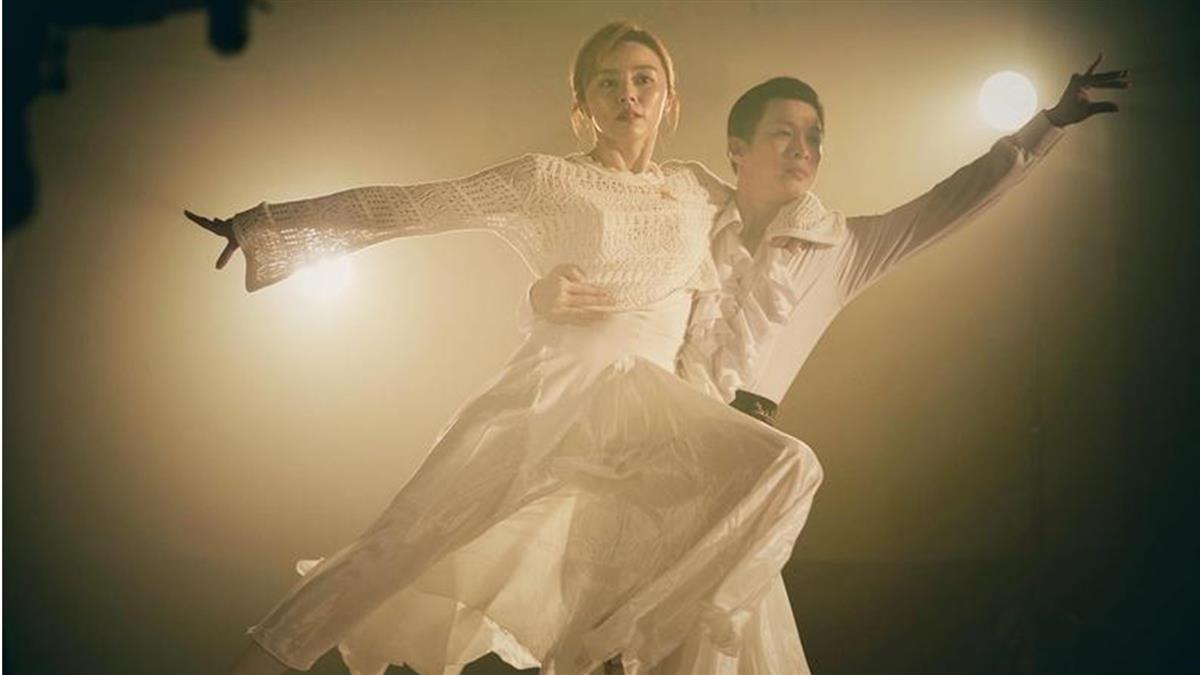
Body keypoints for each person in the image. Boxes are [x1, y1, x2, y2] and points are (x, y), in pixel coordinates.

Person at [187, 22, 826, 675]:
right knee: (396, 544)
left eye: (643, 80)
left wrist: (802, 154)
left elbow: (779, 202)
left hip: (651, 415)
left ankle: (632, 638)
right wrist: (263, 228)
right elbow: (415, 207)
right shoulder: (547, 178)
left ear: (670, 98)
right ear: (583, 105)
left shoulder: (697, 190)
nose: (628, 95)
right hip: (554, 394)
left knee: (786, 465)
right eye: (608, 82)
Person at [529, 60, 1126, 674]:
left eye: (814, 136)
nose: (803, 148)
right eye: (783, 133)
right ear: (737, 148)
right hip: (645, 454)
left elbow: (951, 202)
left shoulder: (841, 249)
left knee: (705, 652)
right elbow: (604, 257)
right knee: (597, 643)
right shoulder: (688, 220)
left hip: (736, 477)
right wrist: (541, 293)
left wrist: (1050, 124)